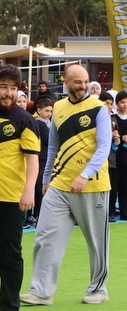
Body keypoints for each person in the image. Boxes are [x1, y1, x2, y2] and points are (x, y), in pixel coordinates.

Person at [21, 64, 111, 306]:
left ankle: (98, 289)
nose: (82, 86)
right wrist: (46, 179)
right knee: (45, 235)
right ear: (66, 82)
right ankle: (41, 291)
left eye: (85, 81)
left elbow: (104, 146)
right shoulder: (58, 108)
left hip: (93, 185)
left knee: (96, 242)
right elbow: (52, 148)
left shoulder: (99, 108)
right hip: (60, 185)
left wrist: (85, 174)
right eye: (77, 82)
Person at [0, 65, 40, 311]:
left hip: (11, 198)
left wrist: (28, 191)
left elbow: (33, 161)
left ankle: (11, 309)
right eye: (3, 86)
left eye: (13, 88)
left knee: (9, 253)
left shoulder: (25, 120)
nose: (8, 92)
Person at [109, 91, 127, 221]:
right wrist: (120, 137)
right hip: (115, 158)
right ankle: (110, 212)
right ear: (117, 104)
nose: (125, 105)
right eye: (122, 102)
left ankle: (124, 211)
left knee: (125, 186)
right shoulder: (113, 119)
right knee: (113, 186)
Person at [32, 97, 54, 226]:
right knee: (41, 188)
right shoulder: (39, 124)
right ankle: (37, 214)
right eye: (46, 111)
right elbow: (49, 139)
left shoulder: (48, 123)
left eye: (51, 111)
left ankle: (42, 214)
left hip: (48, 159)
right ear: (39, 110)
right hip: (42, 159)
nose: (49, 114)